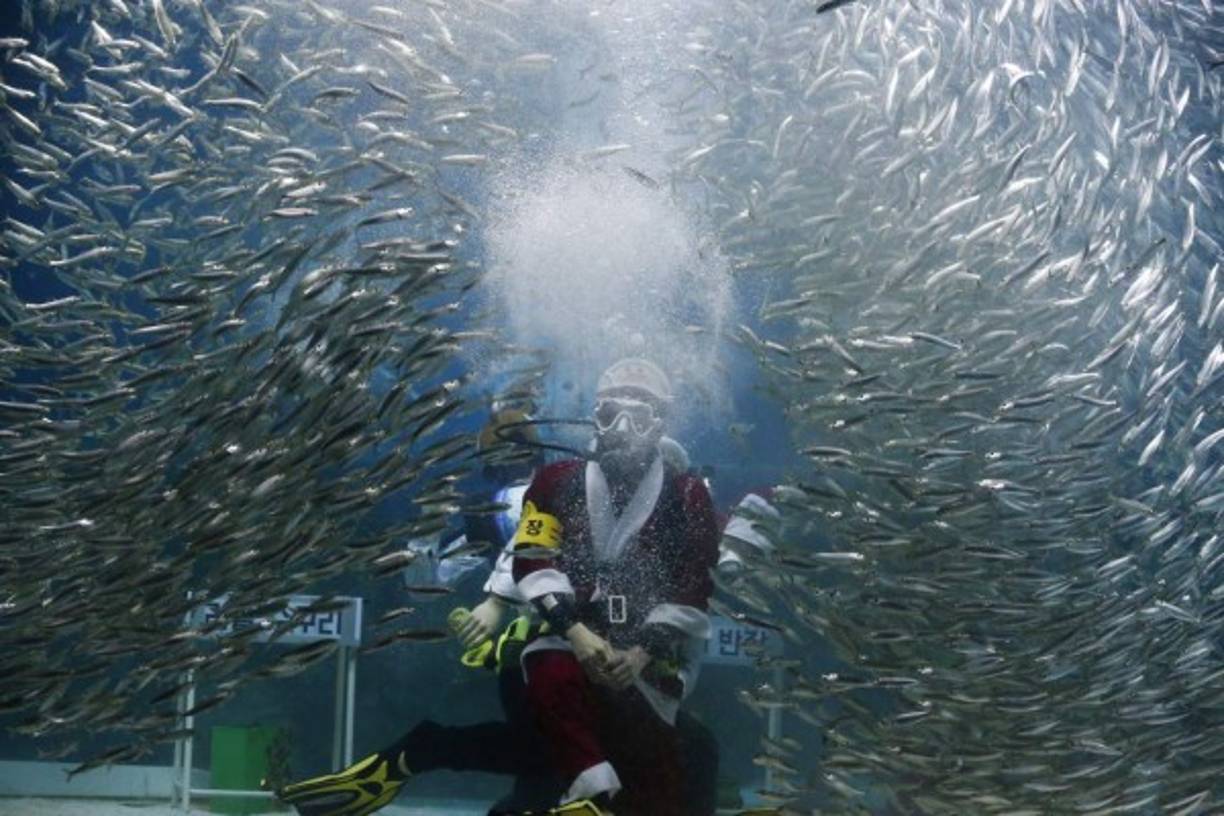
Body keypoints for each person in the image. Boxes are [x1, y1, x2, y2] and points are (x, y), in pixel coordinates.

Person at [276, 400, 723, 816]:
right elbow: (526, 550)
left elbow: (685, 622)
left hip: (583, 670)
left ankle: (419, 752)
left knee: (549, 759)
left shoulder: (660, 528)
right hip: (547, 657)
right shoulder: (577, 496)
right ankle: (421, 751)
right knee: (554, 759)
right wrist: (494, 602)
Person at [509, 358, 721, 816]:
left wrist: (643, 650)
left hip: (645, 660)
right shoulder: (553, 482)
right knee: (550, 671)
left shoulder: (689, 495)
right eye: (609, 415)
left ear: (659, 423)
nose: (621, 428)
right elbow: (531, 560)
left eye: (638, 417)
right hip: (568, 643)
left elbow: (695, 580)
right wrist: (577, 634)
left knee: (658, 784)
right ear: (595, 418)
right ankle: (591, 792)